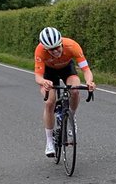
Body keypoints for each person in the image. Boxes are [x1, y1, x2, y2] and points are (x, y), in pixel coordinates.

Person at [33, 26, 96, 158]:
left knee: (75, 90)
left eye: (57, 47)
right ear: (45, 48)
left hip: (67, 68)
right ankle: (49, 141)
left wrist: (89, 82)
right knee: (50, 102)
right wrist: (44, 82)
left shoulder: (72, 46)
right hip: (49, 73)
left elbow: (86, 69)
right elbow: (38, 76)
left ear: (61, 43)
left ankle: (71, 116)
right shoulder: (40, 50)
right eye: (51, 50)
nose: (55, 51)